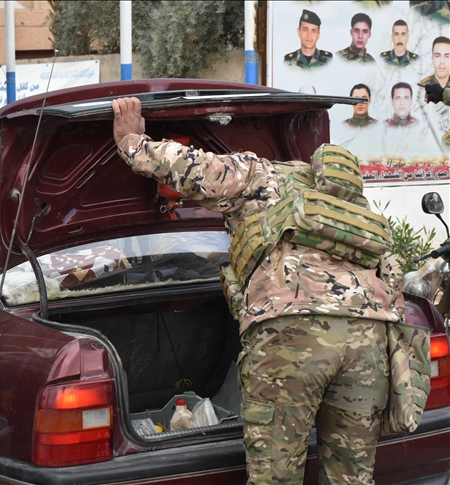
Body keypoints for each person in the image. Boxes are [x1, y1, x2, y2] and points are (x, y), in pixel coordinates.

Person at [112, 97, 403, 484]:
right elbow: (392, 274)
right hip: (370, 339)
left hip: (293, 333)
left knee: (275, 477)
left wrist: (132, 141)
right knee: (352, 478)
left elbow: (189, 167)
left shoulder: (259, 173)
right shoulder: (353, 206)